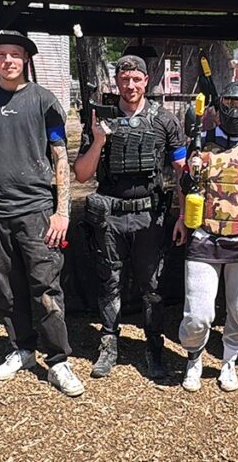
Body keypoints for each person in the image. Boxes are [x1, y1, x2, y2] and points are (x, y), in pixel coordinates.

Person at [0, 30, 85, 397]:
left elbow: (60, 157)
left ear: (26, 59)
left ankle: (58, 360)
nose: (8, 61)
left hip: (35, 210)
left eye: (15, 54)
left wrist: (62, 212)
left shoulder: (43, 101)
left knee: (45, 286)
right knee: (6, 285)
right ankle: (22, 349)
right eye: (2, 54)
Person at [73, 55, 186, 380]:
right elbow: (82, 174)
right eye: (125, 79)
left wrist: (183, 216)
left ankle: (154, 348)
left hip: (149, 218)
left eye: (136, 79)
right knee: (110, 282)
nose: (131, 85)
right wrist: (99, 140)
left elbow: (182, 172)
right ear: (117, 82)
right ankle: (108, 345)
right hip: (110, 217)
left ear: (146, 81)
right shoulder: (101, 120)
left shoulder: (164, 120)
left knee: (153, 287)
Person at [173, 81, 238, 392]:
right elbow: (185, 187)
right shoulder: (201, 142)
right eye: (229, 104)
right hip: (204, 238)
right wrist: (190, 173)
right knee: (198, 314)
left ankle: (229, 361)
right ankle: (194, 357)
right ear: (218, 109)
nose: (235, 111)